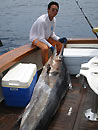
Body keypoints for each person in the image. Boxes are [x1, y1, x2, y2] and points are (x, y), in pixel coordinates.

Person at [30, 1, 67, 65]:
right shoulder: (42, 21)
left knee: (59, 44)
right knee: (45, 48)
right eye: (53, 10)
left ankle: (56, 62)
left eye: (56, 10)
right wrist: (50, 46)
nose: (54, 12)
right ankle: (46, 67)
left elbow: (52, 34)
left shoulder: (54, 20)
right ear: (48, 10)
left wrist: (59, 39)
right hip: (36, 38)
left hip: (45, 37)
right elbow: (41, 38)